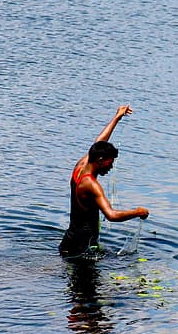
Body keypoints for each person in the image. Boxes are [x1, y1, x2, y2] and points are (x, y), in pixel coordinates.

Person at [59, 105, 149, 259]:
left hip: (70, 240)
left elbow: (99, 142)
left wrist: (117, 117)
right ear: (100, 160)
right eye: (110, 162)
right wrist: (138, 212)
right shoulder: (91, 185)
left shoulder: (81, 166)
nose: (111, 167)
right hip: (81, 247)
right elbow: (111, 215)